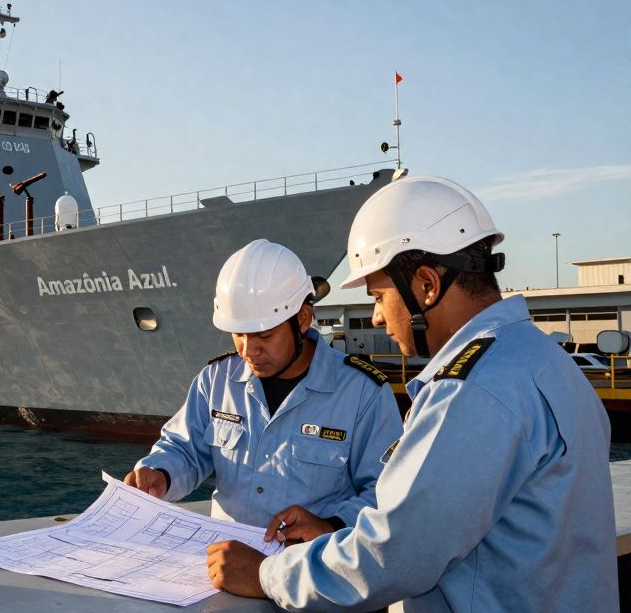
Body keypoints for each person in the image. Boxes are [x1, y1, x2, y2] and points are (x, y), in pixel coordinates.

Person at [207, 175, 617, 610]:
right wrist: (340, 532)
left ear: (426, 284)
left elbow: (395, 556)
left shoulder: (471, 391)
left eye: (379, 297)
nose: (379, 319)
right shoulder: (542, 358)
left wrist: (266, 574)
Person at [126, 239, 402, 542]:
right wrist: (159, 473)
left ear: (302, 319)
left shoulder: (363, 392)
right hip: (224, 566)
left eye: (264, 336)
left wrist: (332, 526)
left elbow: (386, 492)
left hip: (310, 570)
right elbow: (184, 449)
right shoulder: (216, 380)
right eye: (238, 334)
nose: (248, 350)